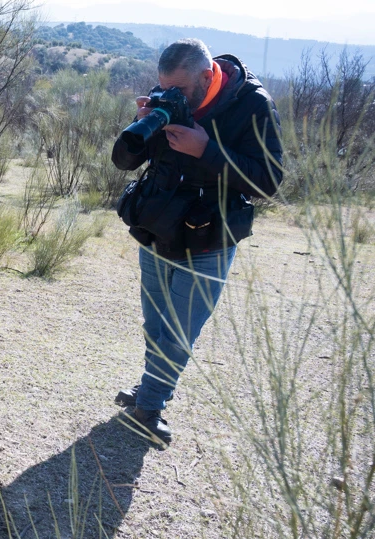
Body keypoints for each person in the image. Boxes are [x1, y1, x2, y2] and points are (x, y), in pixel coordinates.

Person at [110, 38, 284, 445]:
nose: (174, 97)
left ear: (208, 77)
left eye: (182, 90)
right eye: (166, 87)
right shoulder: (168, 100)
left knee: (179, 330)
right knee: (156, 325)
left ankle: (149, 407)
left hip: (209, 240)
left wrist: (206, 150)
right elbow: (125, 160)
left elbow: (270, 180)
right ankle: (148, 390)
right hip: (156, 230)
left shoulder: (252, 104)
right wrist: (145, 122)